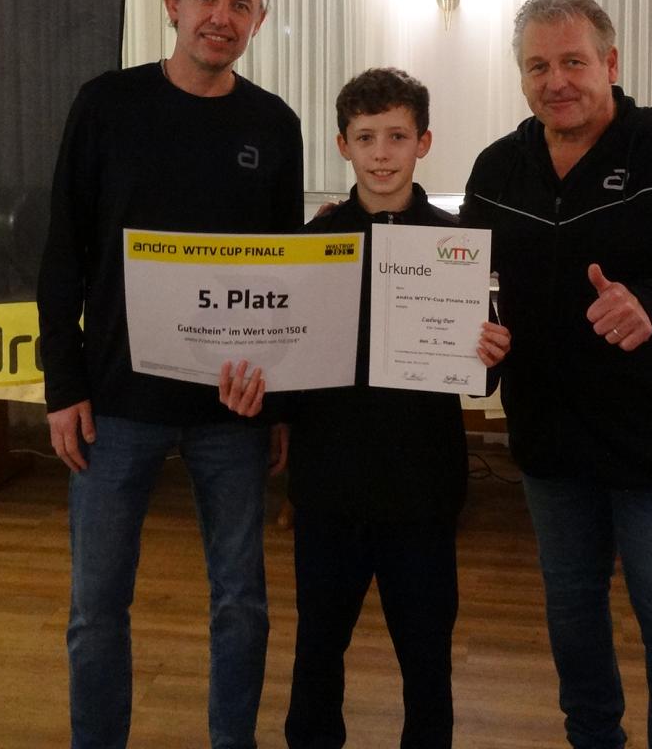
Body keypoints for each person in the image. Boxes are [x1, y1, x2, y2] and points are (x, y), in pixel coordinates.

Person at [461, 0, 652, 749]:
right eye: (537, 66)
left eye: (573, 62)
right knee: (572, 610)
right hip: (550, 445)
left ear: (610, 64)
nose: (556, 81)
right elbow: (468, 284)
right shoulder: (497, 169)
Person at [38, 0, 304, 749]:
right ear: (172, 6)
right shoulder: (105, 106)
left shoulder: (276, 126)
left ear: (258, 21)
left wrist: (279, 402)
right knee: (96, 608)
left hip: (234, 409)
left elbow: (282, 276)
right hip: (116, 404)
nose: (222, 17)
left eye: (241, 5)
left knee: (242, 604)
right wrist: (63, 386)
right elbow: (62, 254)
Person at [218, 67, 511, 749]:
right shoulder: (307, 247)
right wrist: (254, 397)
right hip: (329, 491)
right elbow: (284, 373)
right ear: (343, 145)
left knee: (428, 662)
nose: (382, 154)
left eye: (398, 137)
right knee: (318, 654)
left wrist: (494, 354)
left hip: (423, 492)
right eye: (367, 137)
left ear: (424, 143)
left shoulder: (459, 245)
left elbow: (481, 381)